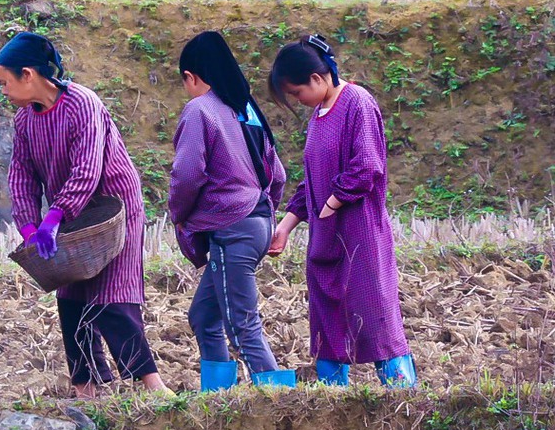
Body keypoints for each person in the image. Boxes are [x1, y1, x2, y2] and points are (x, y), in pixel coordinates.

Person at [0, 32, 167, 397]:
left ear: (27, 74)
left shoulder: (83, 104)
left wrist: (56, 217)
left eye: (5, 82)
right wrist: (30, 227)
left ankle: (151, 385)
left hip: (111, 209)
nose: (4, 91)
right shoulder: (25, 121)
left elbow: (87, 169)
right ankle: (85, 387)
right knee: (71, 296)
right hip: (71, 217)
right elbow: (21, 176)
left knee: (110, 297)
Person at [266, 35, 416, 388]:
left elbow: (367, 166)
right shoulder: (319, 115)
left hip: (359, 236)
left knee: (374, 316)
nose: (298, 100)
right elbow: (311, 183)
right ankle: (332, 402)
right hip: (325, 241)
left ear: (317, 79)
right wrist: (286, 227)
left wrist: (331, 204)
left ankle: (404, 399)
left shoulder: (357, 103)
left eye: (297, 92)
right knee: (327, 321)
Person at [170, 31, 294, 391]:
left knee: (242, 327)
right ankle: (216, 400)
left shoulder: (200, 109)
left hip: (231, 227)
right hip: (256, 222)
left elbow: (188, 172)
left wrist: (179, 213)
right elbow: (279, 174)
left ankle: (281, 403)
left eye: (185, 83)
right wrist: (264, 209)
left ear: (191, 76)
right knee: (204, 316)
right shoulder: (246, 110)